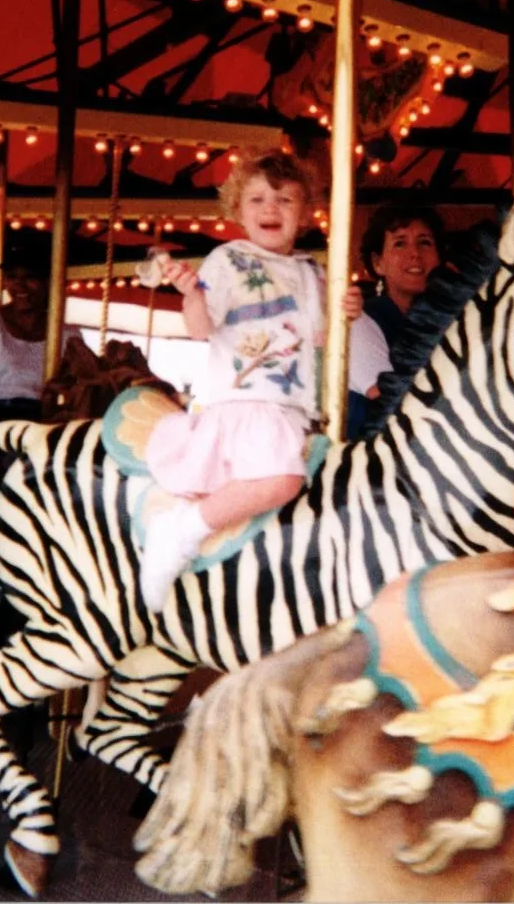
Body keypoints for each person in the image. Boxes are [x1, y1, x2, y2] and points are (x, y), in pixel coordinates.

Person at [138, 149, 328, 611]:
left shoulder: (313, 271)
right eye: (257, 199)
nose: (270, 208)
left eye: (285, 200)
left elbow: (323, 338)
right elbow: (201, 329)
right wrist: (192, 295)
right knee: (281, 481)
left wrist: (347, 307)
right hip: (250, 402)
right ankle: (180, 532)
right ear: (238, 210)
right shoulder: (228, 260)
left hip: (298, 409)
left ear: (304, 213)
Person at [0, 241, 82, 452]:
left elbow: (77, 388)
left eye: (30, 278)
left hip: (38, 423)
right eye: (12, 277)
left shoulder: (67, 335)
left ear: (48, 282)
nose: (19, 286)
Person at [345, 205, 444, 439]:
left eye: (425, 243)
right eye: (400, 243)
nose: (415, 253)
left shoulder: (445, 325)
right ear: (378, 263)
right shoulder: (362, 321)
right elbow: (393, 401)